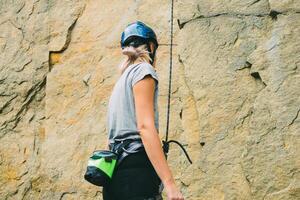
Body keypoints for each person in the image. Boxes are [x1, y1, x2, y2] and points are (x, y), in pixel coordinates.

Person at [102, 21, 184, 200]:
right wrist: (170, 184)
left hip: (115, 175)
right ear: (151, 46)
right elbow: (145, 127)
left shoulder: (120, 82)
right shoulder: (144, 72)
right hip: (136, 172)